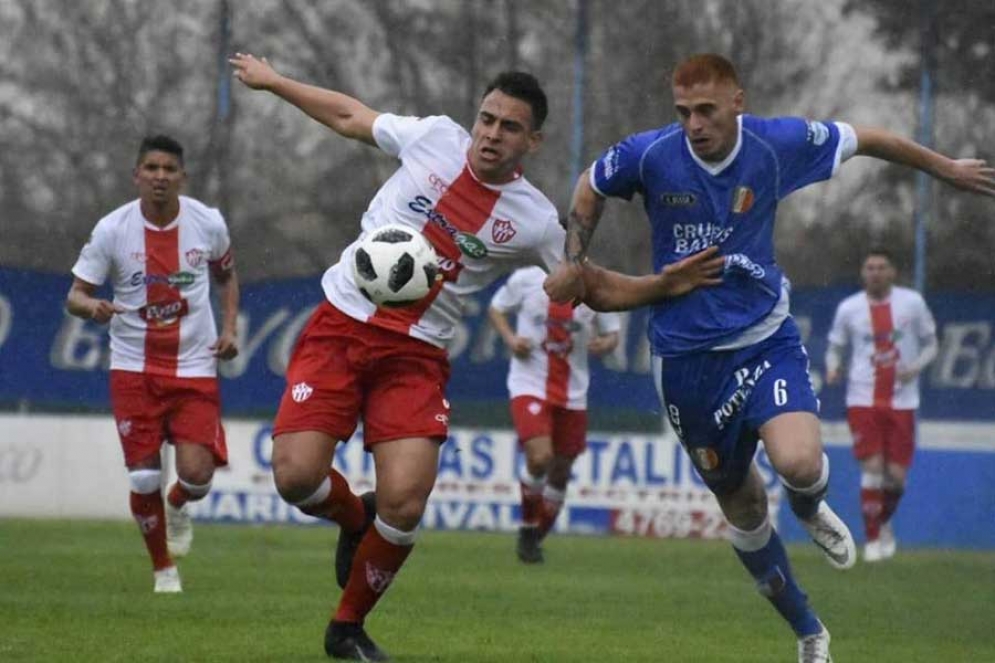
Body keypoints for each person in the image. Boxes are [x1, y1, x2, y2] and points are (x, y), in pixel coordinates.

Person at [229, 52, 723, 661]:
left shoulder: (536, 220)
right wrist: (276, 82)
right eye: (487, 119)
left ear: (532, 141)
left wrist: (664, 284)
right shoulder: (434, 138)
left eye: (509, 127)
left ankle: (346, 628)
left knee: (406, 503)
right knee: (296, 477)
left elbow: (587, 283)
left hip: (416, 355)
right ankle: (354, 520)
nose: (491, 133)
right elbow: (351, 115)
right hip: (341, 325)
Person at [545, 53, 995, 663]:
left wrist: (942, 168)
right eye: (683, 112)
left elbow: (867, 139)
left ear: (737, 101)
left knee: (800, 463)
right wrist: (576, 256)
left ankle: (809, 505)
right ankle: (810, 632)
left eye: (706, 110)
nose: (694, 124)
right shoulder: (651, 154)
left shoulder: (775, 143)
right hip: (684, 362)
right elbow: (590, 186)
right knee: (745, 505)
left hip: (764, 339)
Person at [66, 135, 240, 594]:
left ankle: (179, 503)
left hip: (194, 366)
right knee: (144, 474)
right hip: (133, 368)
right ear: (137, 175)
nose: (160, 176)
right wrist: (93, 307)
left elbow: (226, 275)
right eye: (151, 168)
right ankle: (164, 569)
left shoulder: (208, 223)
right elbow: (75, 295)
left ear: (182, 176)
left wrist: (230, 329)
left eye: (169, 169)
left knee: (198, 476)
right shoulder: (112, 230)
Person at [488, 266, 621, 564]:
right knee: (539, 458)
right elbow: (496, 308)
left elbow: (613, 331)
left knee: (560, 471)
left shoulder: (594, 281)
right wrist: (511, 339)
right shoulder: (526, 278)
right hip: (529, 384)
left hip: (573, 393)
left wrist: (607, 343)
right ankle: (527, 525)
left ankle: (534, 539)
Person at [825, 248, 937, 562]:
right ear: (863, 273)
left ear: (892, 272)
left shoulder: (912, 303)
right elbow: (835, 347)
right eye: (869, 267)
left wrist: (915, 367)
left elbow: (933, 343)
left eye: (881, 267)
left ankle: (883, 521)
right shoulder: (849, 309)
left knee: (896, 478)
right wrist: (833, 366)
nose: (875, 272)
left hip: (903, 401)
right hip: (862, 399)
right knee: (873, 469)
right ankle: (872, 539)